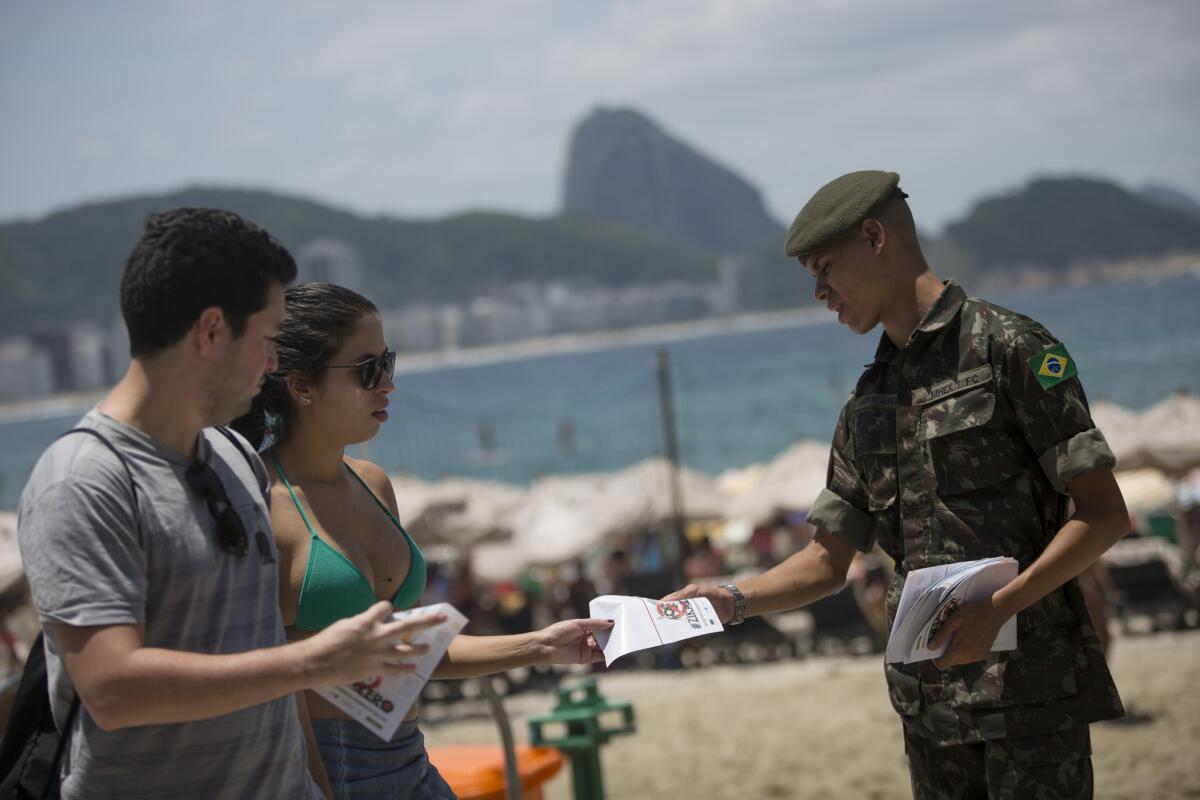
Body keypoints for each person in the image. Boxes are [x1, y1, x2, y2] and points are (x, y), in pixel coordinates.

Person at [667, 171, 1129, 799]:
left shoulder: (1010, 348)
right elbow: (827, 561)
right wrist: (732, 600)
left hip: (1032, 705)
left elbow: (1103, 515)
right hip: (929, 714)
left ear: (875, 236)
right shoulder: (868, 403)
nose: (819, 291)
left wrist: (1001, 607)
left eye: (825, 268)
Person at [16, 209, 443, 799]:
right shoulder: (85, 479)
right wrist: (316, 662)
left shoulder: (233, 460)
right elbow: (112, 688)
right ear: (212, 332)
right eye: (267, 341)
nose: (274, 366)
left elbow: (265, 658)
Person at [232, 282, 612, 799]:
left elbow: (405, 654)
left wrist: (541, 644)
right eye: (368, 370)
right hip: (328, 767)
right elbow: (272, 682)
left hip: (410, 756)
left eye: (388, 362)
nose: (387, 384)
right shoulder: (258, 499)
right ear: (301, 386)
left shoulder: (372, 482)